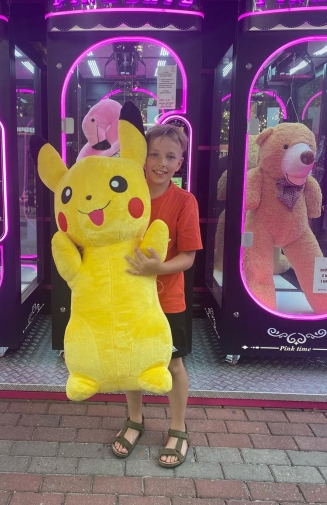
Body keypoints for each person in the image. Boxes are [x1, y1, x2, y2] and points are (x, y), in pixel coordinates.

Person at [111, 123, 203, 468]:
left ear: (180, 162)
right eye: (154, 154)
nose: (161, 163)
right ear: (143, 157)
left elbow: (188, 257)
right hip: (128, 297)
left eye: (170, 156)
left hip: (168, 300)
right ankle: (135, 420)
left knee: (173, 363)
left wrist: (157, 269)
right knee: (131, 360)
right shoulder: (124, 194)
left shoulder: (184, 201)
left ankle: (178, 428)